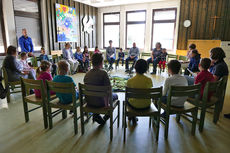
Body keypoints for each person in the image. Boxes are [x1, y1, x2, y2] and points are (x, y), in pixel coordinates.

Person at [84, 53, 118, 125]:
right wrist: (106, 104)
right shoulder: (103, 73)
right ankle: (105, 117)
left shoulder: (87, 74)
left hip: (90, 102)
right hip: (101, 103)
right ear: (101, 62)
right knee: (115, 95)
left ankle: (96, 115)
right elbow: (108, 90)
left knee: (99, 95)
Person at [127, 59, 153, 123]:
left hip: (133, 106)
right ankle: (133, 116)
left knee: (127, 99)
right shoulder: (149, 80)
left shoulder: (130, 81)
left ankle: (132, 115)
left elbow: (128, 94)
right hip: (146, 105)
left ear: (135, 68)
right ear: (146, 69)